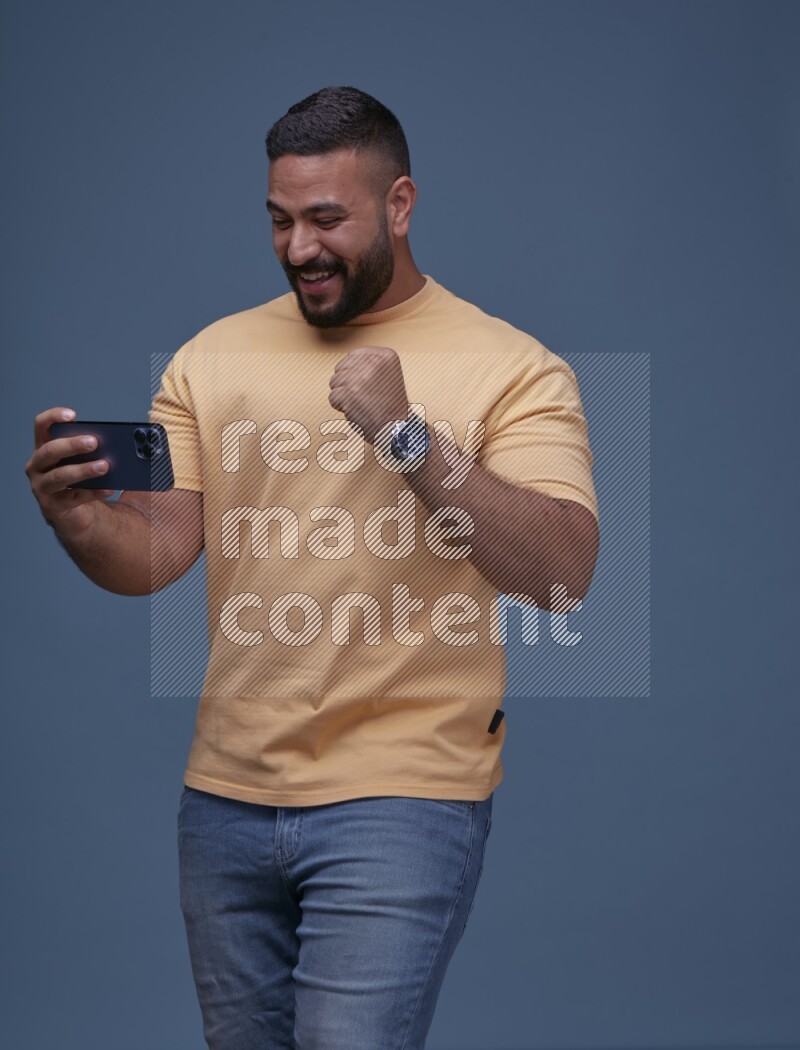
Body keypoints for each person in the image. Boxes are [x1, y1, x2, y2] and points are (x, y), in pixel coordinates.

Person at [25, 86, 599, 1050]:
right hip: (224, 801)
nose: (300, 248)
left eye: (327, 218)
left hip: (403, 799)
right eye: (281, 221)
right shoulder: (211, 357)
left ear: (400, 205)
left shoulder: (514, 367)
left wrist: (409, 438)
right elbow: (158, 553)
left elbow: (561, 577)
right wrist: (77, 517)